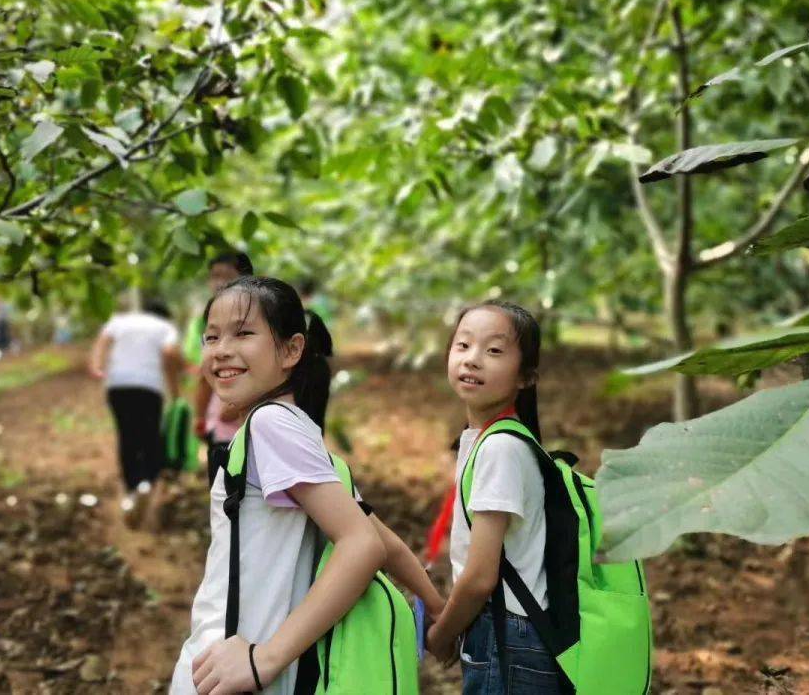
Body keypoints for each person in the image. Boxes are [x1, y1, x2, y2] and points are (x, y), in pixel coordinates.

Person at [170, 276, 443, 694]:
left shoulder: (270, 425)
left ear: (291, 350)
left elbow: (362, 543)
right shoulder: (298, 432)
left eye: (243, 333)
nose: (221, 349)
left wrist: (265, 659)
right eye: (211, 337)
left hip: (232, 666)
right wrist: (438, 610)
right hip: (248, 667)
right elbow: (379, 536)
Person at [426, 301, 562, 694]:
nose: (473, 359)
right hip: (515, 629)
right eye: (463, 345)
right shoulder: (492, 440)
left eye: (494, 350)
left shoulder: (501, 448)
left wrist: (442, 634)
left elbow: (480, 577)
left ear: (526, 377)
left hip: (508, 633)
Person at [89, 299, 183, 519]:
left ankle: (132, 489)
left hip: (118, 385)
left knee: (127, 434)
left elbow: (103, 341)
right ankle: (148, 483)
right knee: (150, 434)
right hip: (149, 386)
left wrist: (97, 366)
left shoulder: (120, 320)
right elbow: (170, 353)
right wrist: (175, 390)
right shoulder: (165, 327)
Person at [184, 252, 254, 484]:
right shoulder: (209, 322)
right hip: (223, 426)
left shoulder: (259, 317)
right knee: (226, 493)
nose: (219, 283)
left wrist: (237, 405)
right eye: (214, 276)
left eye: (226, 276)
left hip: (253, 424)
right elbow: (206, 374)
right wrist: (200, 417)